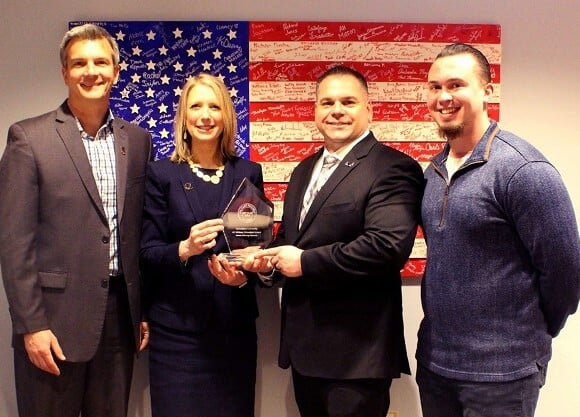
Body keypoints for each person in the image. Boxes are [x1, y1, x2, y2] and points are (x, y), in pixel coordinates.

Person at [238, 65, 424, 417]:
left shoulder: (393, 167)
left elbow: (387, 247)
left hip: (357, 357)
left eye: (348, 101)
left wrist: (304, 262)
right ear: (315, 110)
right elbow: (290, 241)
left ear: (369, 109)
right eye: (327, 102)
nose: (336, 109)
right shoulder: (304, 169)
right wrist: (264, 265)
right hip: (305, 352)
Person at [416, 42, 580, 417]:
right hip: (436, 366)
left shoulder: (523, 171)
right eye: (434, 86)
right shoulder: (434, 172)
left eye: (456, 85)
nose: (443, 97)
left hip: (502, 376)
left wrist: (525, 337)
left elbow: (566, 273)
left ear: (486, 91)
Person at [0, 24, 151, 417]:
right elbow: (15, 243)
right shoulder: (28, 138)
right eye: (79, 63)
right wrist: (31, 326)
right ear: (64, 72)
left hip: (121, 318)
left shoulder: (137, 141)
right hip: (53, 322)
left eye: (101, 62)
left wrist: (142, 308)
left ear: (116, 71)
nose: (91, 71)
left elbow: (137, 232)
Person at [139, 73, 265, 417]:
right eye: (196, 106)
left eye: (214, 106)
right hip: (177, 334)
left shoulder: (248, 173)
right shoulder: (161, 174)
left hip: (233, 331)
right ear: (184, 116)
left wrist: (242, 276)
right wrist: (185, 247)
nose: (205, 115)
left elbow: (254, 251)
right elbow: (147, 252)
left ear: (226, 116)